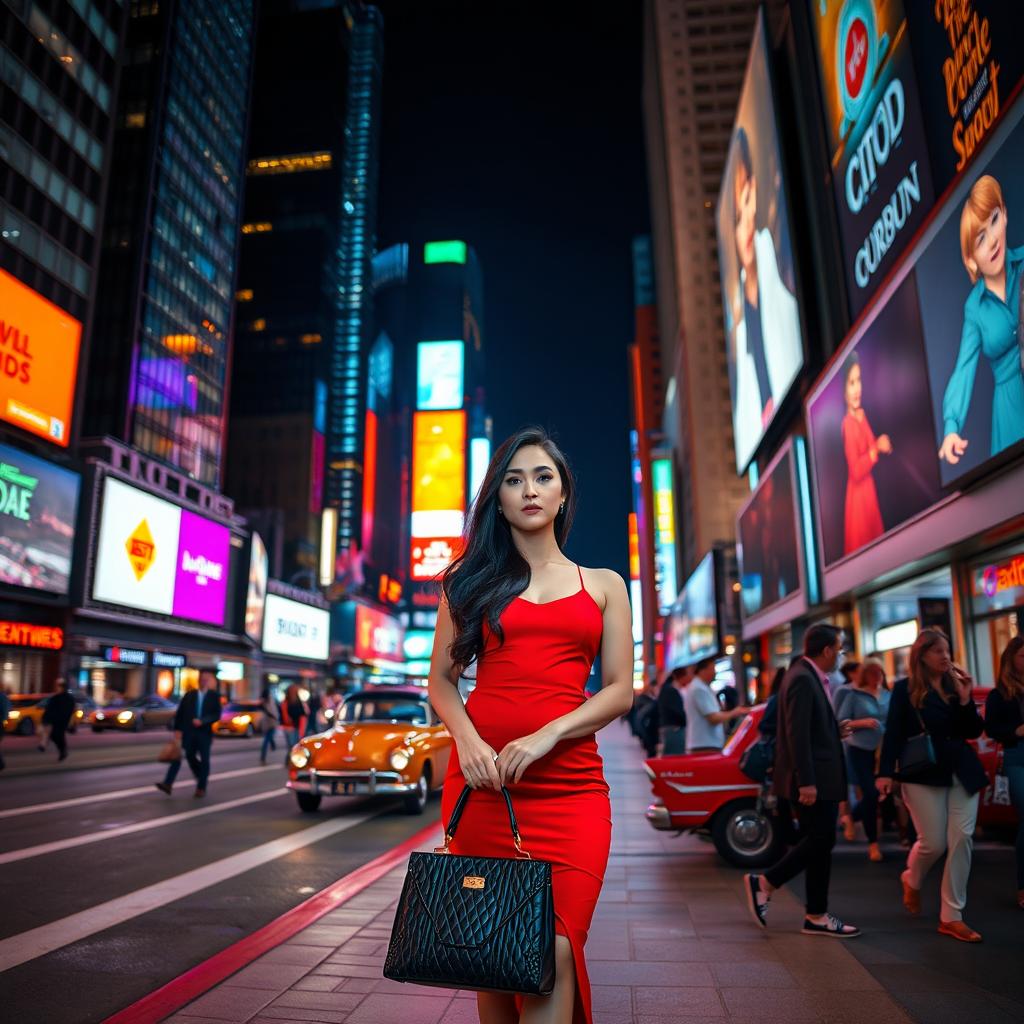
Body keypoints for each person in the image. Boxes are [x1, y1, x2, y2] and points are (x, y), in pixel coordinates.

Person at [427, 427, 633, 1024]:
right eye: (513, 481)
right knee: (489, 956)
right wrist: (467, 742)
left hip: (571, 793)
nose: (530, 490)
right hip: (483, 789)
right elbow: (441, 682)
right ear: (499, 499)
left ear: (564, 493)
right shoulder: (466, 583)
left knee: (555, 948)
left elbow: (620, 689)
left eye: (543, 477)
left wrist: (548, 734)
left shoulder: (604, 585)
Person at [743, 624, 860, 938]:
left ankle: (816, 915)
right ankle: (766, 882)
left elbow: (807, 728)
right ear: (826, 650)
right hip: (813, 780)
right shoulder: (803, 679)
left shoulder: (806, 676)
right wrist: (806, 781)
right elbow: (795, 734)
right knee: (822, 839)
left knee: (820, 843)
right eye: (840, 648)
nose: (841, 654)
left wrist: (834, 731)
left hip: (817, 777)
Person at [877, 628, 986, 942]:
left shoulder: (955, 686)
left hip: (962, 771)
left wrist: (966, 699)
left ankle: (952, 916)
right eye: (939, 651)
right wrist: (885, 773)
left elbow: (973, 731)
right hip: (922, 772)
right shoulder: (905, 689)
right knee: (934, 842)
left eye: (948, 650)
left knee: (962, 838)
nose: (945, 656)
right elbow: (894, 734)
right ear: (922, 654)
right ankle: (912, 877)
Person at [727, 125, 803, 464]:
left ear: (755, 194)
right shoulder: (741, 333)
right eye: (736, 217)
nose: (744, 224)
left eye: (746, 200)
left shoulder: (785, 283)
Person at [938, 174, 1024, 468]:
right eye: (981, 238)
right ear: (971, 259)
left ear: (1006, 214)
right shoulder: (973, 309)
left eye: (994, 220)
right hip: (1011, 415)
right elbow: (964, 368)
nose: (993, 240)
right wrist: (951, 427)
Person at [983, 635, 1024, 910]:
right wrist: (1015, 732)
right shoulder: (1000, 693)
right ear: (1011, 659)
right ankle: (1023, 886)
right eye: (1023, 656)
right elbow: (991, 729)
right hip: (1017, 756)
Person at [836, 658, 890, 861]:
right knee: (870, 792)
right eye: (872, 672)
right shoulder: (854, 695)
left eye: (879, 672)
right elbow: (841, 722)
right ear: (864, 674)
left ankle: (851, 816)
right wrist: (862, 723)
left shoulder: (888, 696)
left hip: (882, 751)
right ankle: (873, 844)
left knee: (876, 794)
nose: (876, 677)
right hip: (860, 750)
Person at [841, 354, 891, 556]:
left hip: (868, 494)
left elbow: (871, 445)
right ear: (843, 389)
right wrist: (876, 449)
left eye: (859, 380)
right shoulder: (847, 424)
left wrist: (880, 445)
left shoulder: (860, 416)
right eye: (851, 383)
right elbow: (855, 470)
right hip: (859, 501)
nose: (857, 388)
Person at [156, 671, 221, 797]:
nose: (204, 681)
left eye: (206, 679)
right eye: (202, 679)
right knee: (184, 756)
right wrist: (177, 730)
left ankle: (201, 787)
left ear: (210, 682)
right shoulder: (190, 695)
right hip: (189, 732)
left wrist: (203, 721)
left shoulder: (214, 696)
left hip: (204, 733)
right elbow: (180, 714)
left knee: (205, 760)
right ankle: (169, 783)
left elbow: (216, 715)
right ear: (198, 681)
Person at [683, 657, 746, 753]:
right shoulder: (698, 688)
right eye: (712, 669)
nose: (714, 672)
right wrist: (735, 712)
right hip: (704, 745)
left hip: (706, 744)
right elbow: (713, 718)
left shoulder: (701, 687)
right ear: (702, 670)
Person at [41, 678, 75, 761]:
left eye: (58, 686)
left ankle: (62, 751)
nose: (57, 688)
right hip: (55, 720)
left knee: (58, 735)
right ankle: (62, 751)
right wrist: (45, 718)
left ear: (63, 687)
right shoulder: (55, 698)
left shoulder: (68, 698)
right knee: (55, 735)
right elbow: (49, 709)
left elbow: (70, 710)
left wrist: (67, 719)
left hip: (62, 721)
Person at [657, 667, 688, 755]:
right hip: (674, 729)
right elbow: (678, 711)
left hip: (670, 728)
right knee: (674, 756)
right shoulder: (670, 690)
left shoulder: (667, 689)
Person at [259, 685, 281, 765]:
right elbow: (272, 710)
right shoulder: (268, 700)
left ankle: (272, 745)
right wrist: (275, 717)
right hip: (271, 721)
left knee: (268, 737)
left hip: (268, 722)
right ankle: (263, 756)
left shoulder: (263, 701)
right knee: (267, 738)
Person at [0, 688, 9, 771]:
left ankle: (1, 764)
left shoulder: (2, 697)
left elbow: (5, 712)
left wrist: (2, 720)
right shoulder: (3, 697)